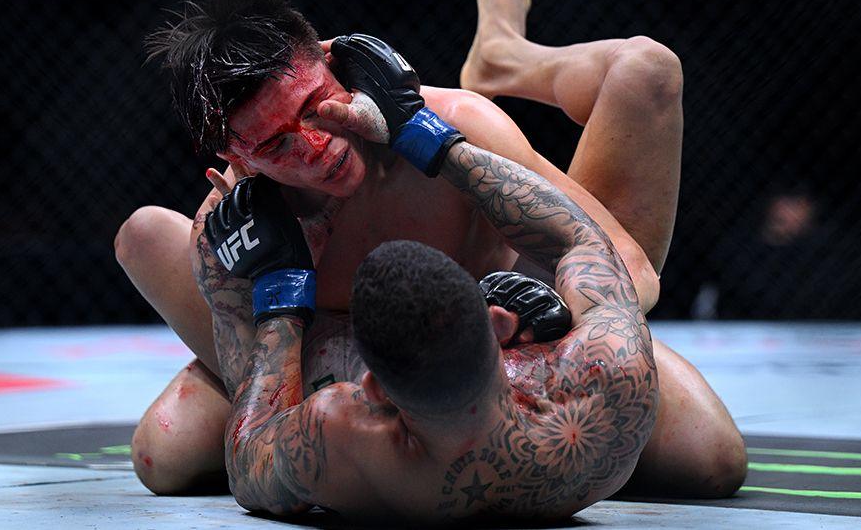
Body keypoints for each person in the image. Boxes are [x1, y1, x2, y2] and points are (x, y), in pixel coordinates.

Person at [114, 0, 745, 497]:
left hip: (495, 354)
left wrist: (531, 320)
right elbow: (260, 382)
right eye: (277, 144)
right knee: (161, 453)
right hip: (351, 375)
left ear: (335, 62)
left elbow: (632, 271)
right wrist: (272, 301)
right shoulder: (234, 227)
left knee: (711, 459)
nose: (316, 145)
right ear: (237, 158)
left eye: (315, 106)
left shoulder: (451, 126)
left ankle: (507, 57)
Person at [197, 63, 657, 519]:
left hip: (343, 376)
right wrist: (424, 133)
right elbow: (579, 238)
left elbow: (247, 457)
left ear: (371, 387)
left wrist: (281, 288)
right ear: (498, 323)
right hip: (561, 435)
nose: (313, 144)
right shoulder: (613, 376)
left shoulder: (340, 435)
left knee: (143, 237)